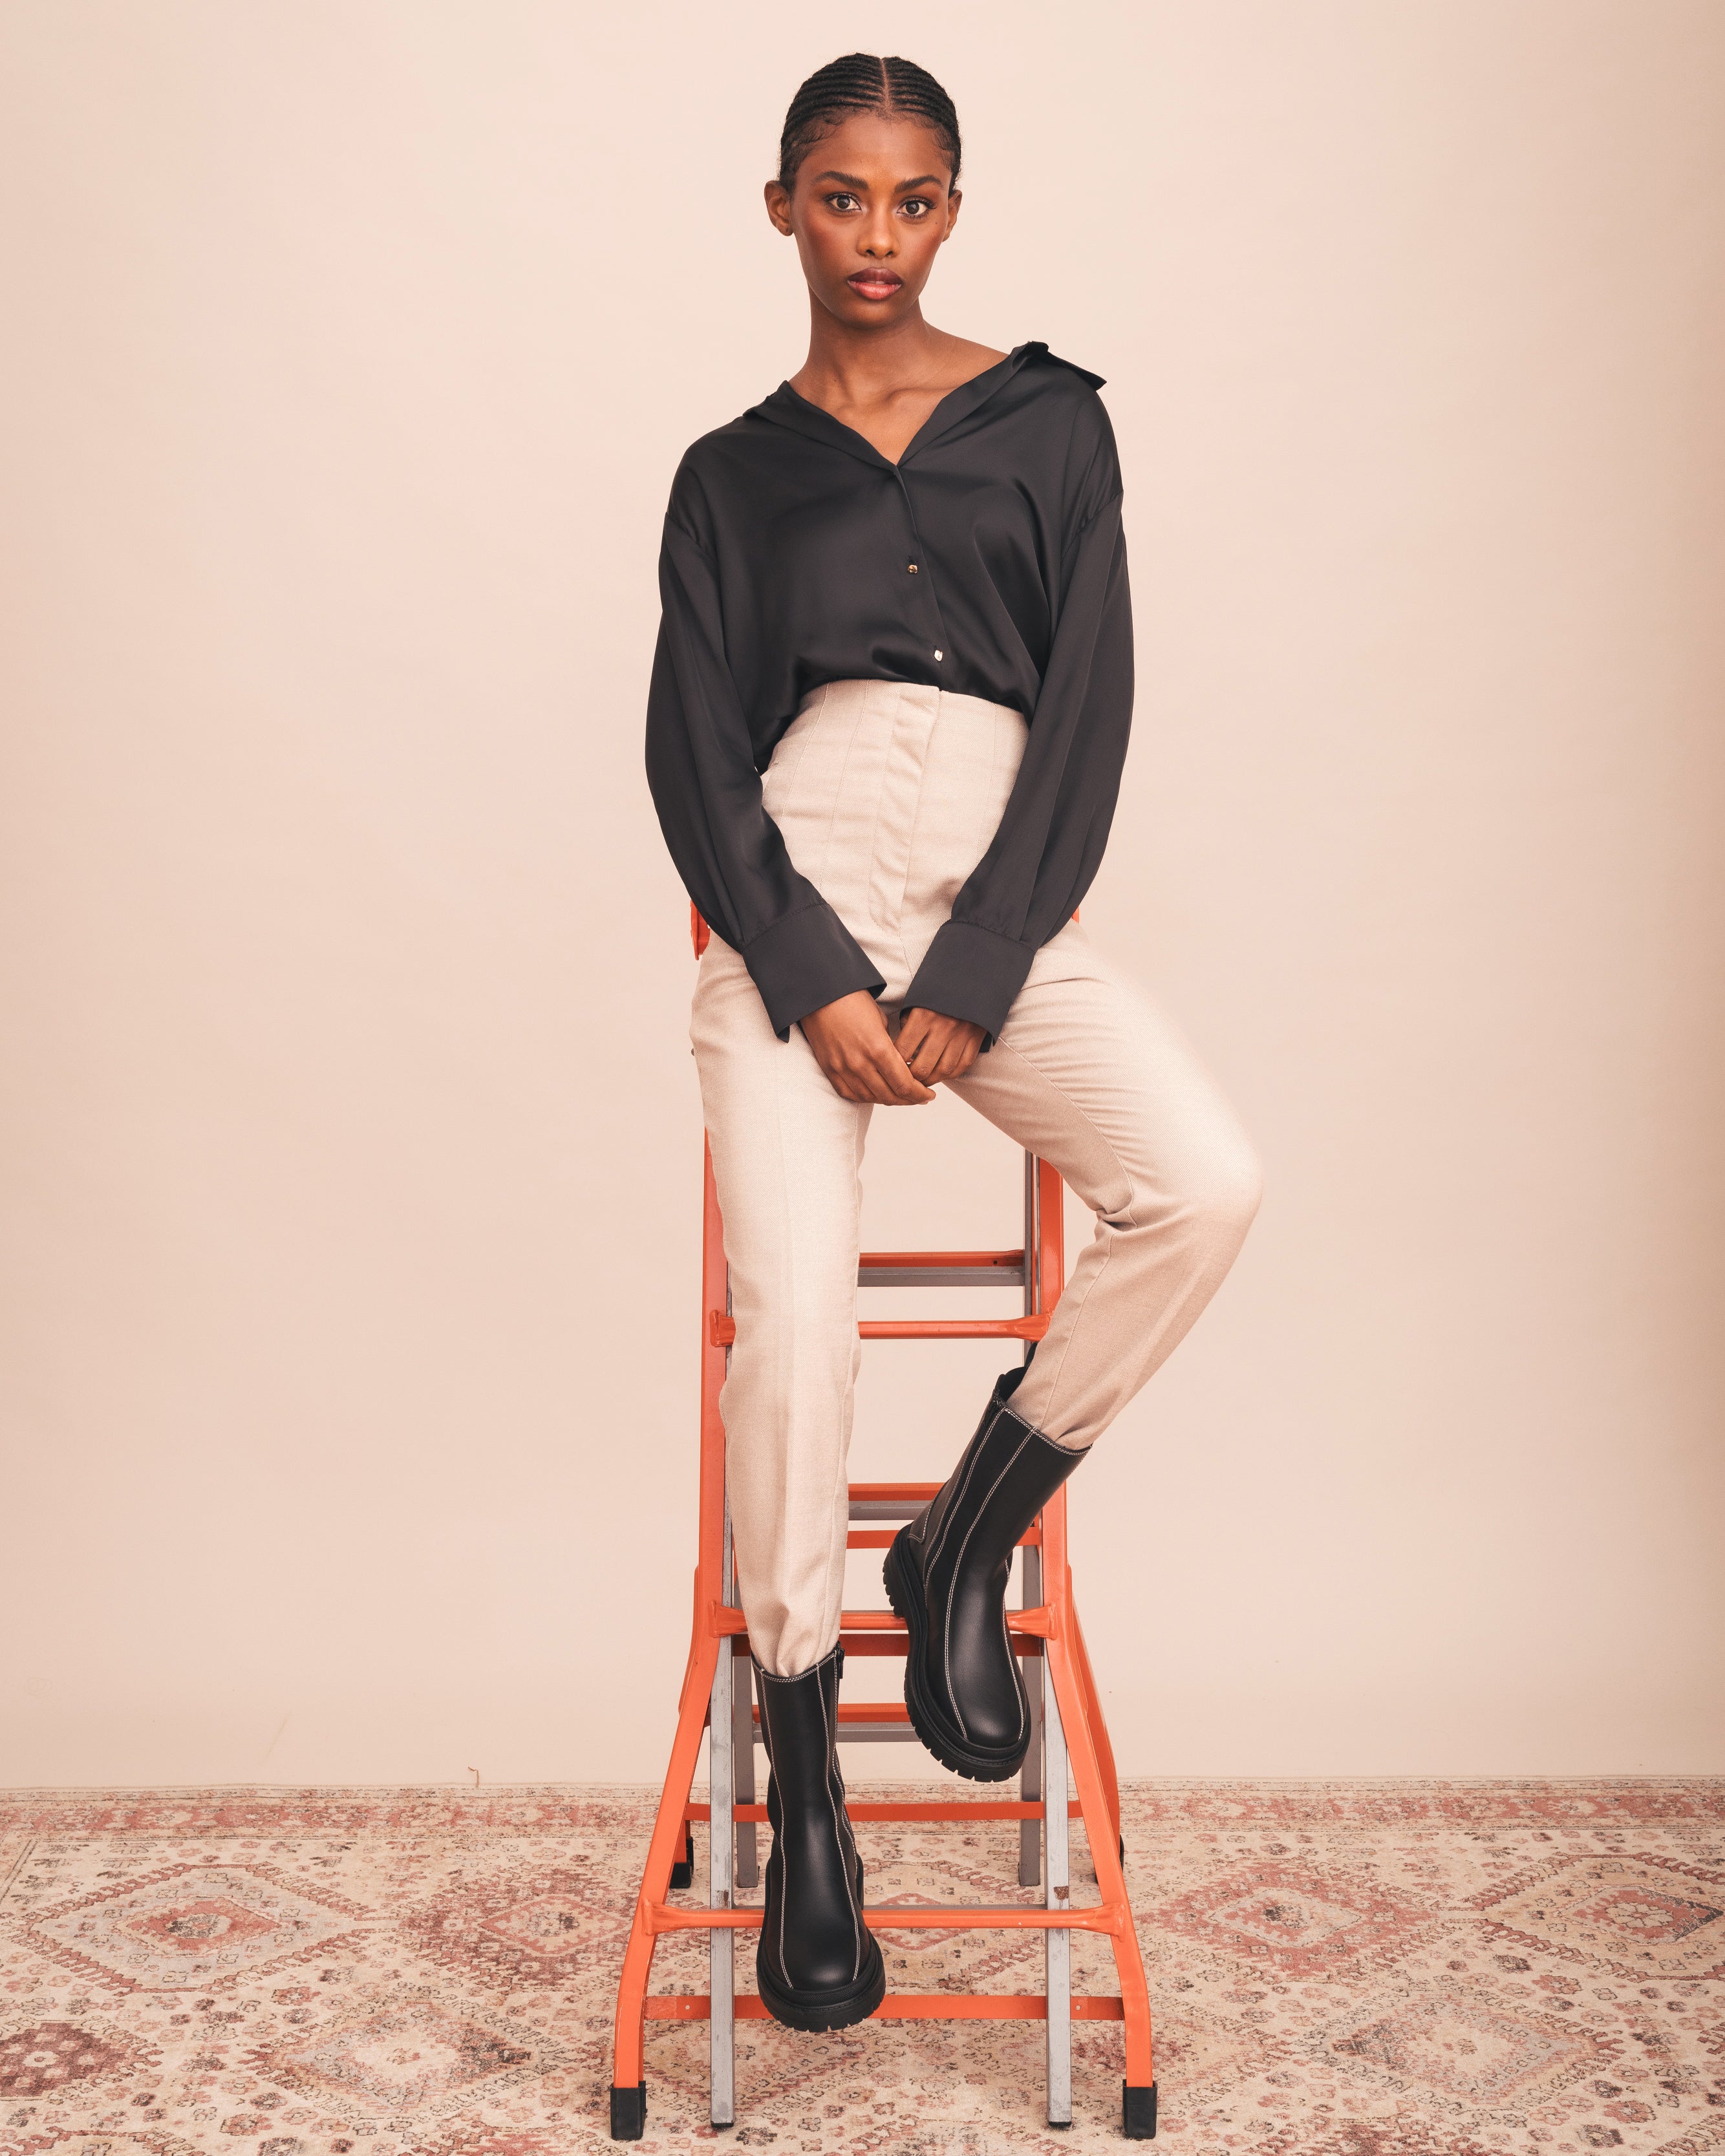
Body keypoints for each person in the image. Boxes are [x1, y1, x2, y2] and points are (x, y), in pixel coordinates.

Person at [645, 53, 1261, 2034]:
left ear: (953, 211)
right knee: (795, 1325)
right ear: (779, 210)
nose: (877, 241)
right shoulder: (730, 473)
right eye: (839, 200)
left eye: (911, 202)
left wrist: (976, 966)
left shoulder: (1048, 429)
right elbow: (691, 755)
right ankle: (810, 1785)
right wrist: (811, 966)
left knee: (1202, 1183)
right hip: (795, 911)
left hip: (995, 903)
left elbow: (1087, 714)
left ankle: (965, 1532)